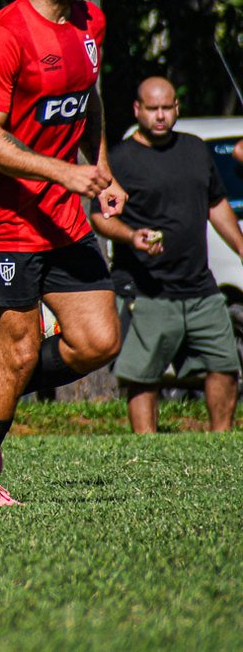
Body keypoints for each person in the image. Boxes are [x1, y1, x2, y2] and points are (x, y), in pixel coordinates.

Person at [0, 0, 127, 508]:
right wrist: (65, 171)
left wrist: (99, 168)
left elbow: (88, 99)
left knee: (100, 340)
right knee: (19, 352)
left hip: (63, 215)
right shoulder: (1, 38)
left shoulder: (90, 23)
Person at [90, 77, 243, 432]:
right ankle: (147, 444)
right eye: (152, 109)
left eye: (166, 108)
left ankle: (221, 437)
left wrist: (239, 244)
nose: (160, 116)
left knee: (223, 362)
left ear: (176, 108)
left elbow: (216, 202)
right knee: (143, 374)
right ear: (137, 110)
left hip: (201, 285)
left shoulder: (195, 149)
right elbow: (100, 216)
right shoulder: (122, 159)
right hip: (148, 288)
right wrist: (131, 235)